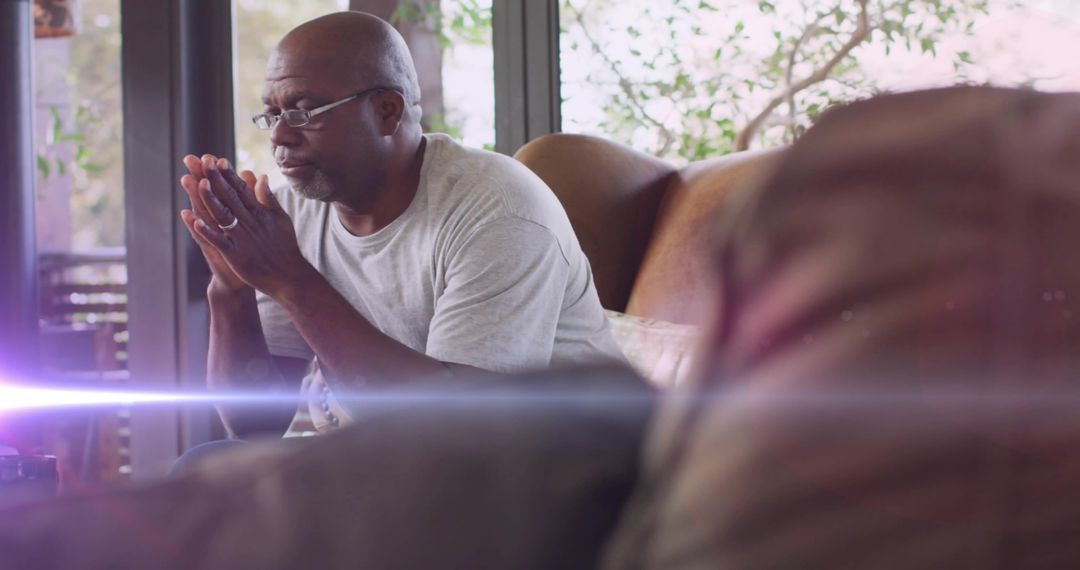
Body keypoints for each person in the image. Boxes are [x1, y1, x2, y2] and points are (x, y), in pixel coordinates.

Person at [178, 11, 624, 437]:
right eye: (272, 115)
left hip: (559, 478)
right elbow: (252, 425)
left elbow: (463, 433)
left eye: (304, 111)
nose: (279, 135)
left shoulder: (498, 209)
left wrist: (290, 279)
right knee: (206, 468)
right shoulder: (296, 209)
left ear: (388, 111)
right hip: (406, 471)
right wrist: (232, 287)